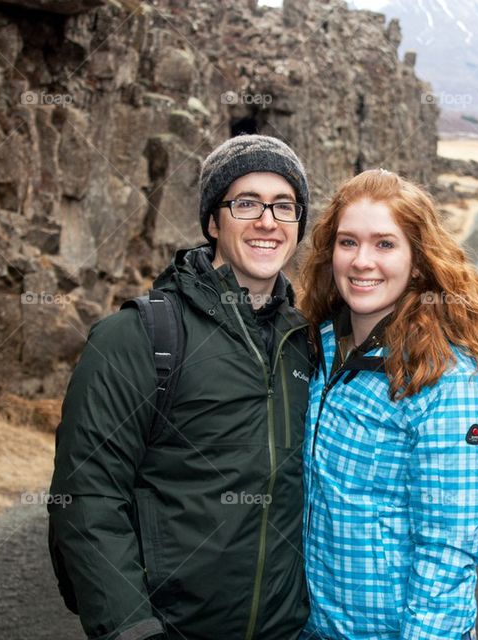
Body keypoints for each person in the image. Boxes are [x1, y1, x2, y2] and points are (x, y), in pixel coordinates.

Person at [48, 135, 314, 640]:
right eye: (246, 203)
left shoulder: (306, 344)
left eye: (284, 206)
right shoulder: (139, 336)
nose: (267, 221)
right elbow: (87, 494)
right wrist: (132, 630)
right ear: (213, 222)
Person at [298, 169, 478, 640]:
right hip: (312, 627)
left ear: (417, 261)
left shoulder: (448, 379)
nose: (362, 261)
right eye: (347, 242)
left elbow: (448, 550)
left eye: (385, 244)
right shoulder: (321, 345)